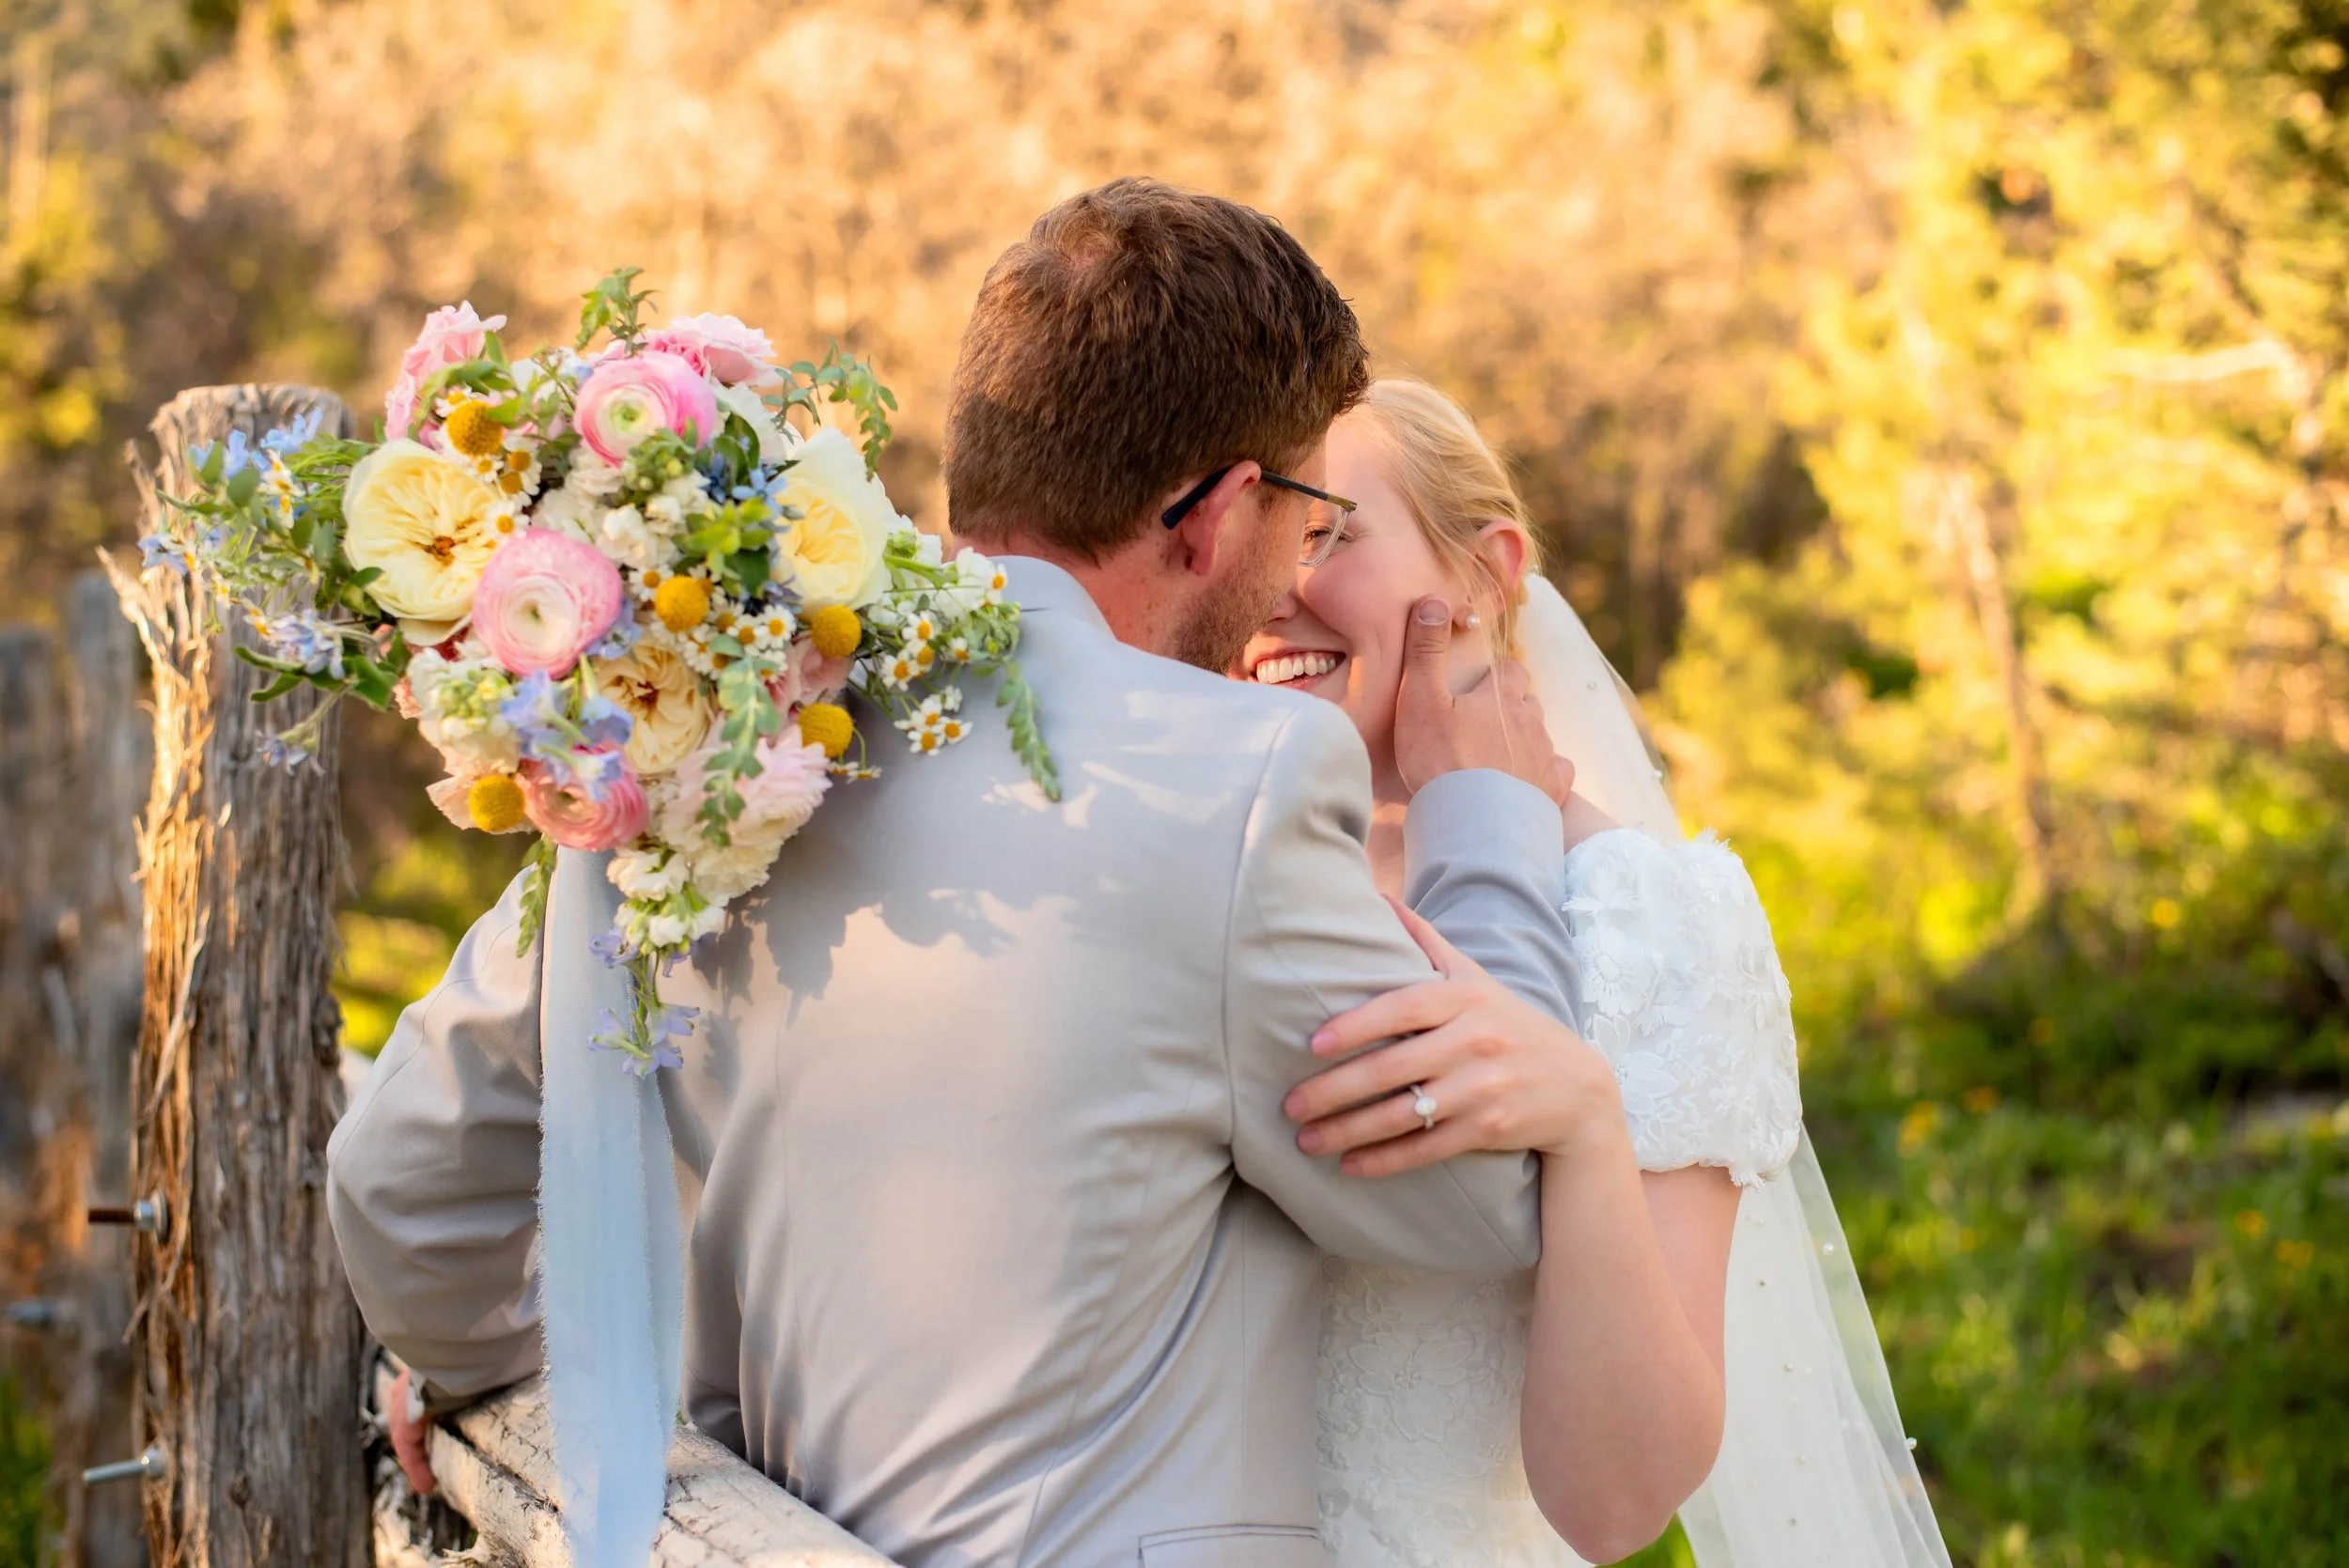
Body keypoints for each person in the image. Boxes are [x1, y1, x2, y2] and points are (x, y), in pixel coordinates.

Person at [332, 179, 1607, 1568]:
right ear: (1216, 513)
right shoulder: (1237, 781)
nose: (1300, 563)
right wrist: (1489, 824)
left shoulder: (722, 725)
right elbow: (1479, 1206)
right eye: (1305, 515)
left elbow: (400, 1186)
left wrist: (543, 1387)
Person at [1253, 379, 1952, 1566]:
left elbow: (1617, 1504)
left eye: (1327, 534)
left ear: (1484, 574)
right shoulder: (1207, 871)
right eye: (1259, 539)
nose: (1274, 592)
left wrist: (1579, 1127)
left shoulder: (1642, 914)